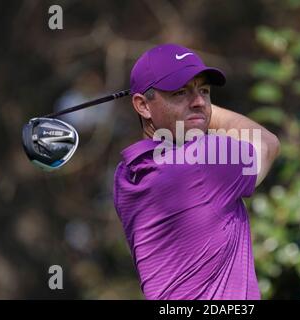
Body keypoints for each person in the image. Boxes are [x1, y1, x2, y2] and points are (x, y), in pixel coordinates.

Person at [113, 44, 279, 300]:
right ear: (142, 106)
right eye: (180, 92)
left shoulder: (125, 175)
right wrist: (201, 113)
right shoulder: (205, 159)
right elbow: (267, 144)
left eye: (204, 91)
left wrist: (187, 108)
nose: (200, 102)